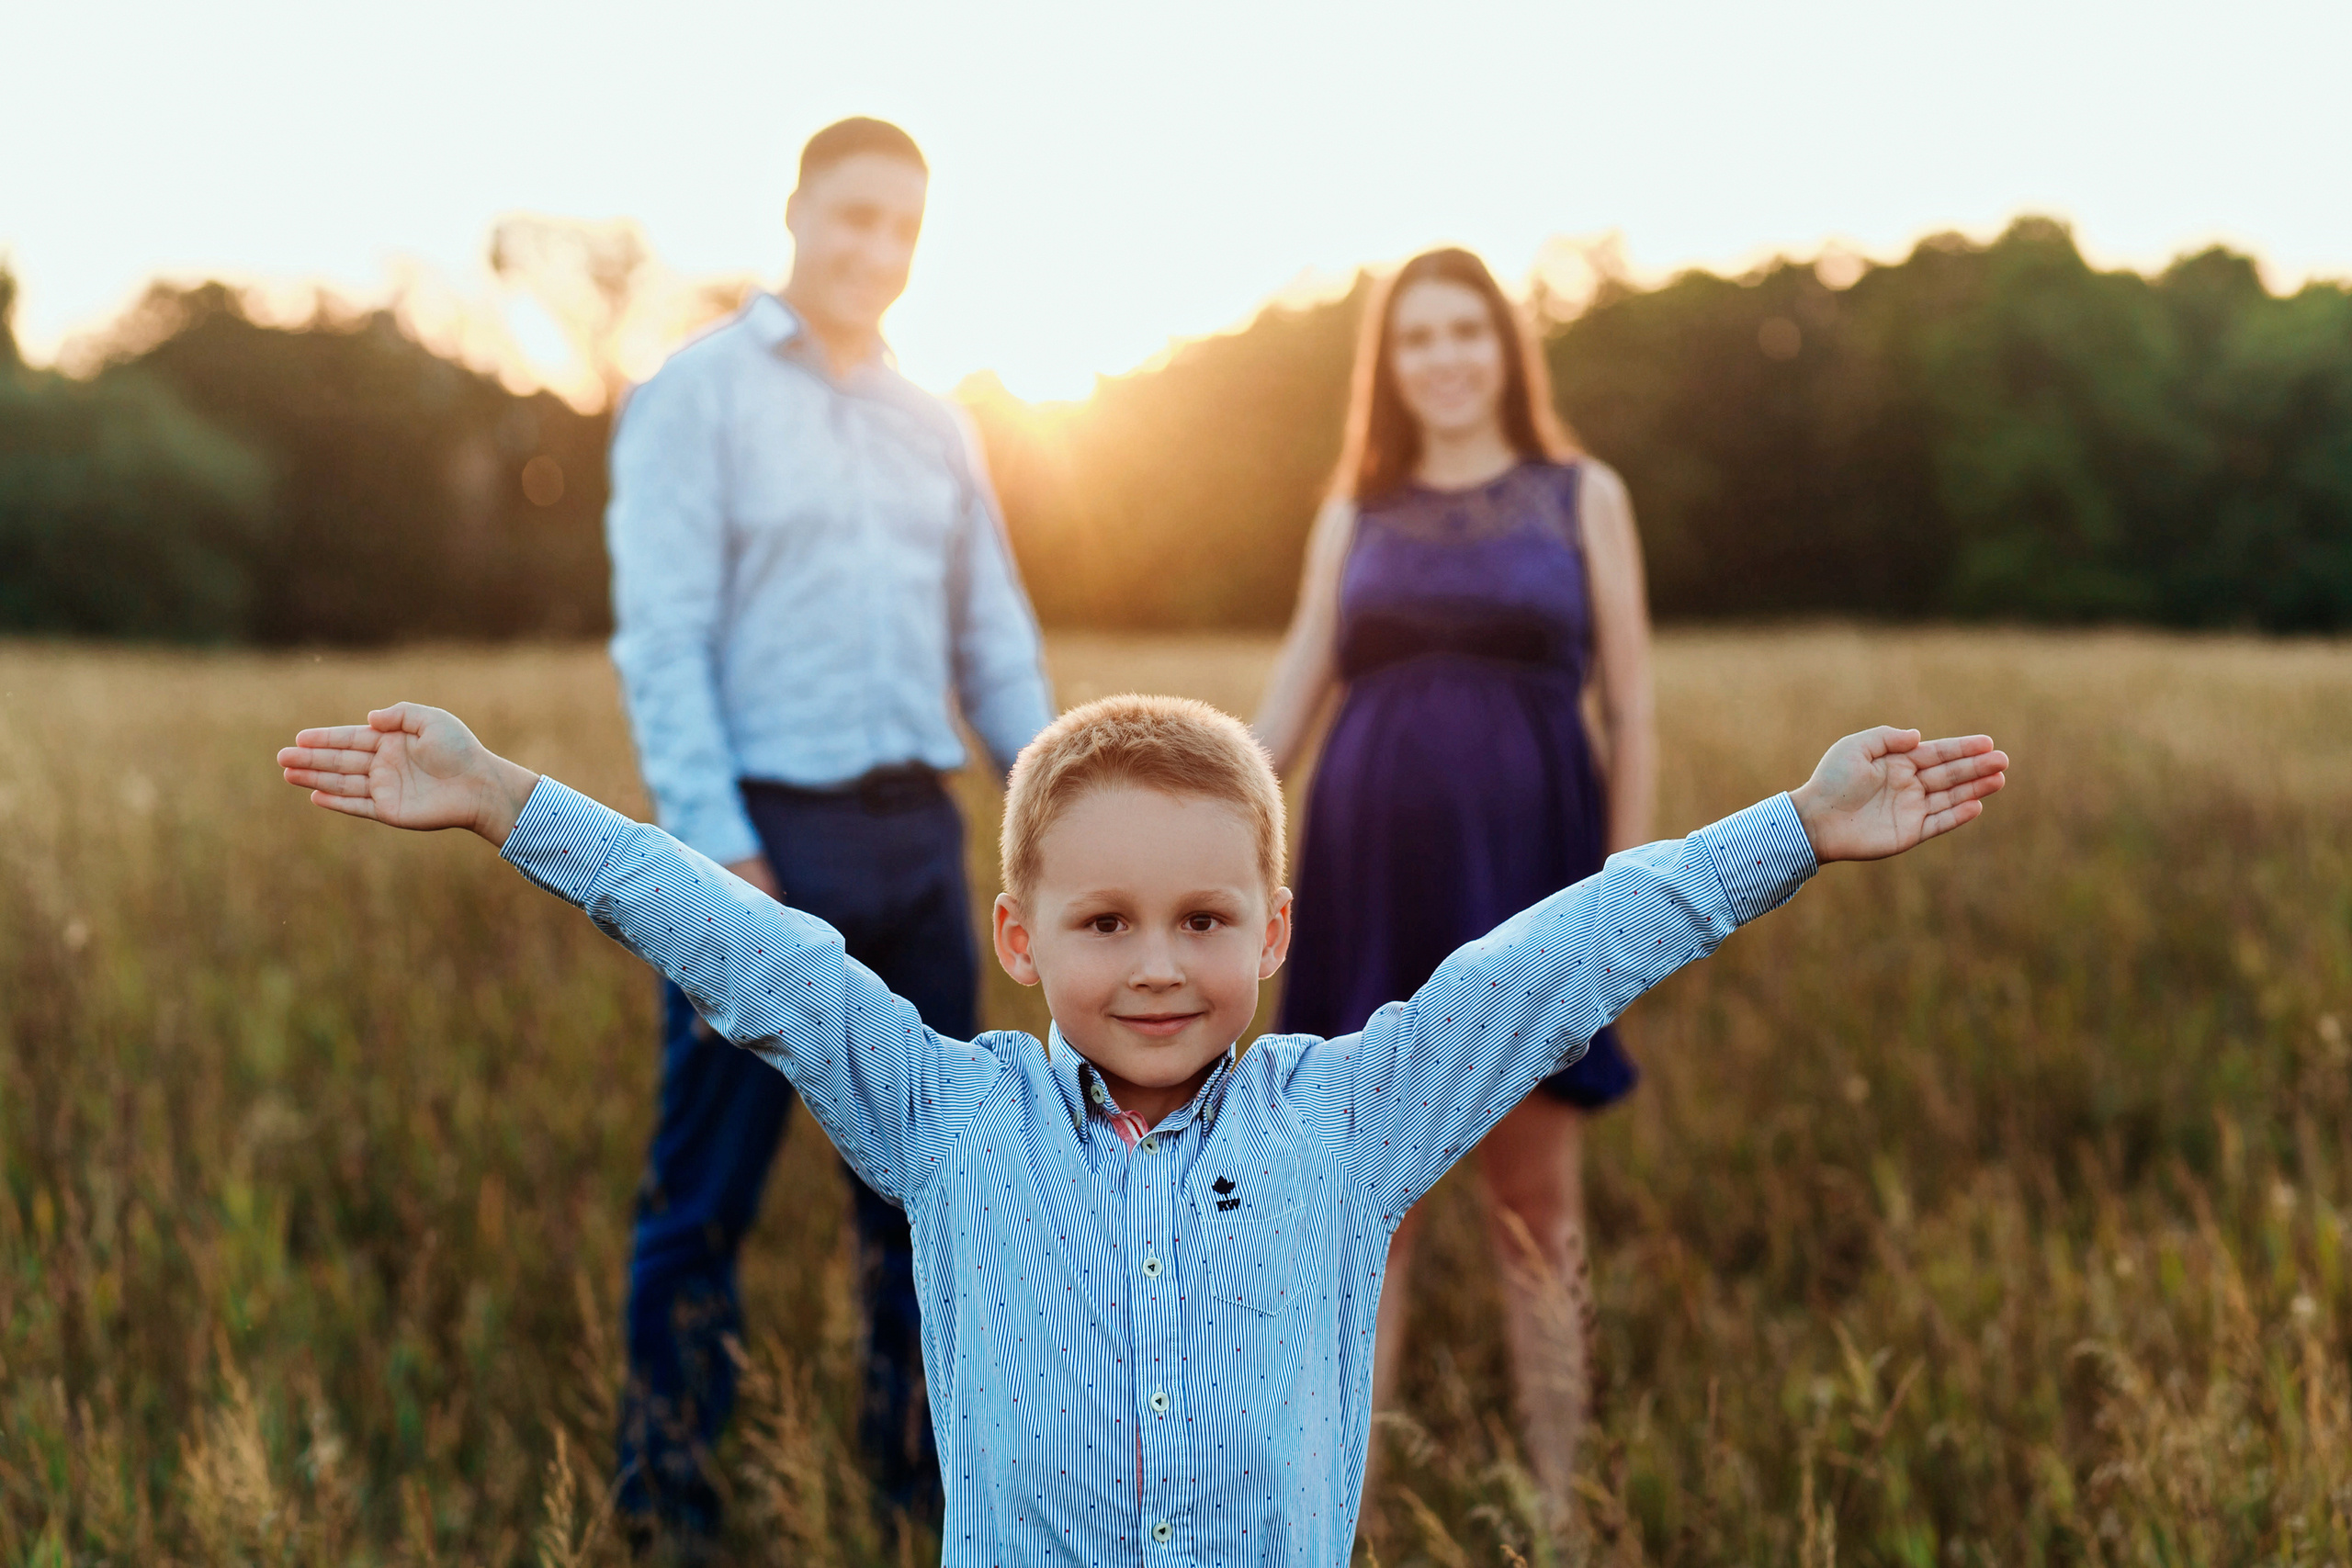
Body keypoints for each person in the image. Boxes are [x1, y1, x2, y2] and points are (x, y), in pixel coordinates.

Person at [277, 690, 2007, 1563]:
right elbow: (760, 961)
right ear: (1021, 937)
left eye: (1204, 921)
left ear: (1273, 927)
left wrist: (1789, 829)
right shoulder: (950, 1114)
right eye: (1106, 925)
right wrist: (512, 803)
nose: (1160, 967)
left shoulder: (1351, 1116)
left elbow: (1553, 963)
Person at [599, 116, 1053, 1547]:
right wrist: (720, 859)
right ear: (796, 211)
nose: (876, 252)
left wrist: (1061, 828)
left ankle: (915, 1474)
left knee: (930, 1186)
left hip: (922, 841)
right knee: (706, 1191)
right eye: (853, 217)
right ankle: (672, 1496)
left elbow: (994, 645)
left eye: (904, 231)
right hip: (764, 845)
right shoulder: (697, 398)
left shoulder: (939, 424)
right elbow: (663, 640)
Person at [1253, 245, 1650, 1520]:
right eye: (1416, 339)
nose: (1443, 359)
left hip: (1533, 878)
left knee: (1535, 1203)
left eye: (1465, 332)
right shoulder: (1351, 511)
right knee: (1371, 1207)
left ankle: (1558, 1507)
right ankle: (1342, 1512)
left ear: (1506, 348)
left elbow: (1631, 710)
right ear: (1390, 366)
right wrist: (1189, 830)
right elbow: (1287, 709)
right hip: (1368, 884)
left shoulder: (1581, 493)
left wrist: (1623, 903)